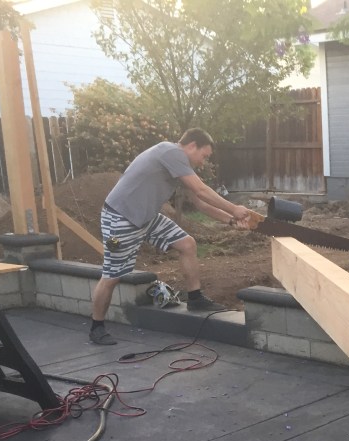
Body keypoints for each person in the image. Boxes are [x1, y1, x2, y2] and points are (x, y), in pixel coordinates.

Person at [88, 128, 250, 345]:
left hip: (147, 217)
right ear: (192, 146)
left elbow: (199, 202)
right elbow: (201, 191)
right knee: (112, 275)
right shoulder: (170, 152)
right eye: (204, 156)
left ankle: (195, 299)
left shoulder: (179, 164)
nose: (203, 162)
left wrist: (230, 220)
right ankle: (96, 327)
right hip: (121, 217)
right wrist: (234, 208)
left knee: (187, 244)